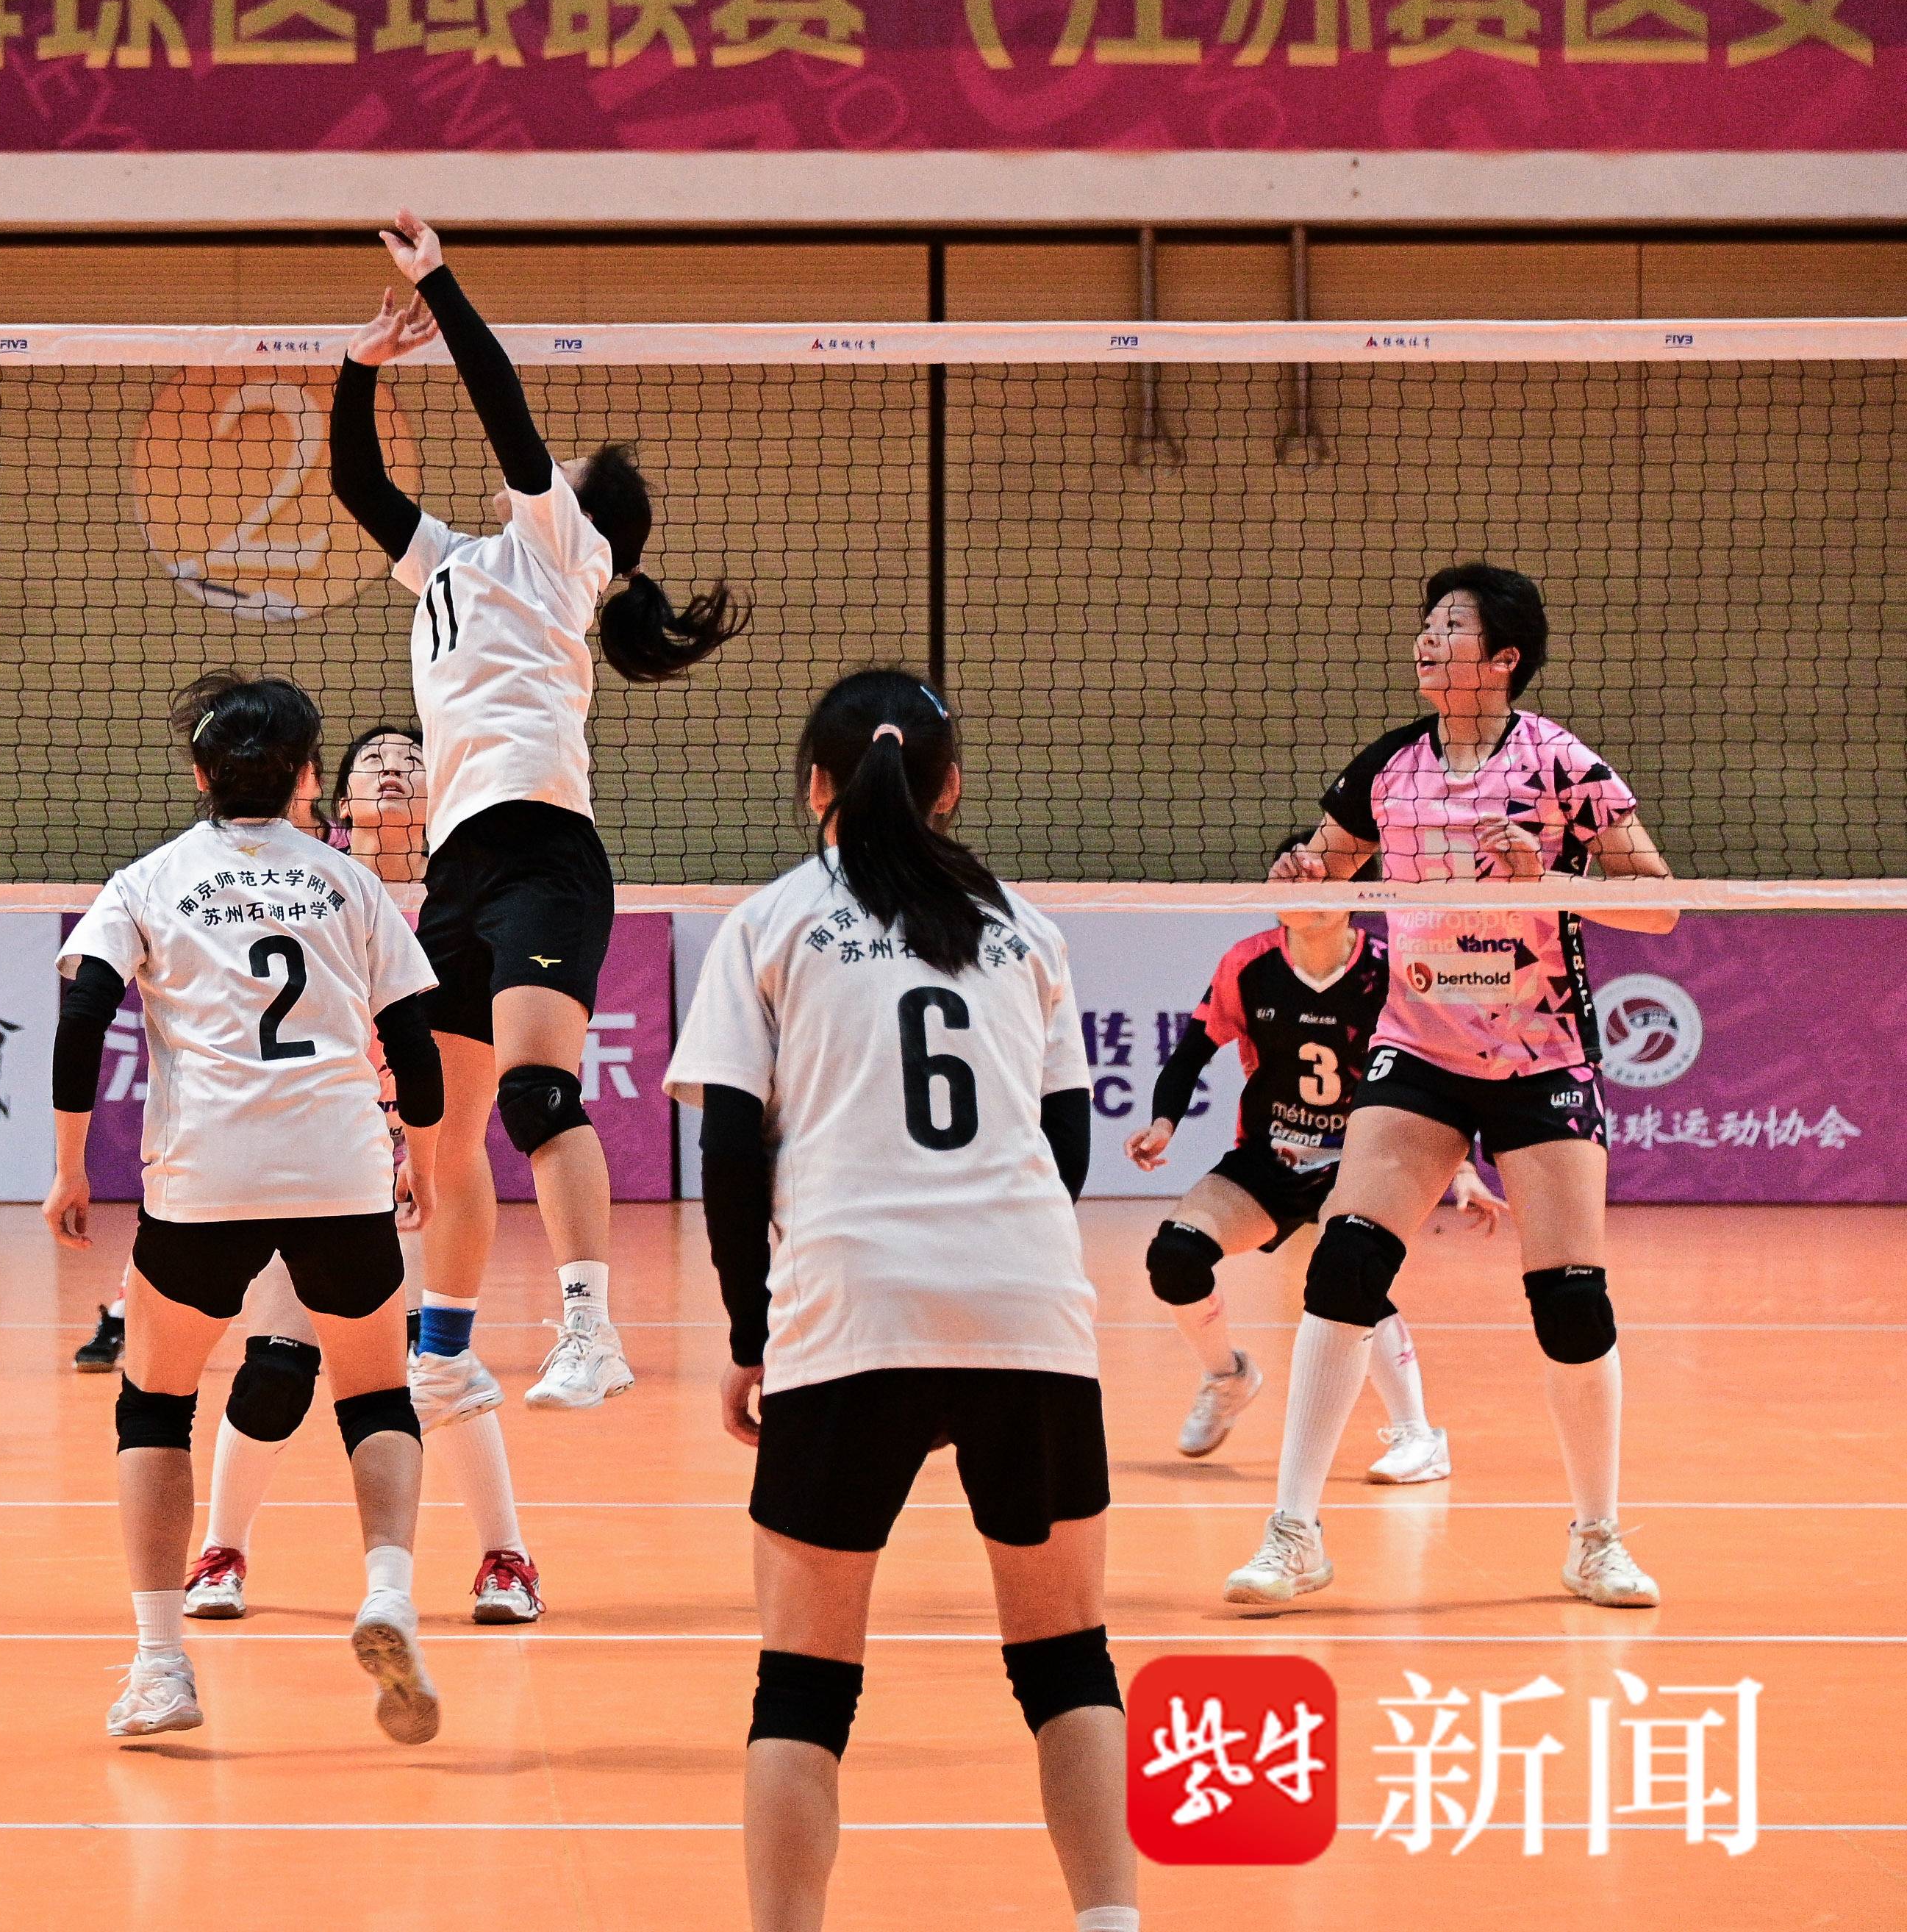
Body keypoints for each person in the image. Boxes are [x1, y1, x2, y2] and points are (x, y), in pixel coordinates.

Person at [666, 670, 1133, 1932]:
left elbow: (728, 1151)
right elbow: (1065, 1149)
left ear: (814, 785)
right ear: (951, 789)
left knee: (803, 1687)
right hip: (1029, 1309)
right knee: (1066, 1661)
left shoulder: (770, 924)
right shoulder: (1023, 929)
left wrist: (750, 1336)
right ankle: (1110, 1920)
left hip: (850, 1312)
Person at [333, 210, 748, 1417]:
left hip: (544, 853)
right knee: (441, 1136)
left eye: (561, 474)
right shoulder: (453, 564)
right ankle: (444, 1349)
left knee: (535, 1098)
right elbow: (357, 482)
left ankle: (589, 1332)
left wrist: (439, 281)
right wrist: (356, 367)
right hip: (460, 868)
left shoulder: (566, 552)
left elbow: (504, 409)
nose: (543, 469)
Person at [1226, 564, 1678, 1610]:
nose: (1427, 641)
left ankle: (1596, 1539)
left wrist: (1550, 880)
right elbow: (1322, 877)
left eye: (1450, 626)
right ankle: (1293, 1535)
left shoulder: (1562, 763)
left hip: (1540, 1056)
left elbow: (1660, 905)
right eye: (1425, 626)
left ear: (1503, 656)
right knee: (1345, 1266)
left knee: (1571, 1304)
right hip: (1418, 1052)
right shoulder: (1386, 769)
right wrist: (1299, 880)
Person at [46, 673, 451, 1742]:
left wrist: (71, 1167)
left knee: (154, 1407)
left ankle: (160, 1665)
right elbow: (413, 1042)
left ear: (199, 774)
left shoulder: (146, 882)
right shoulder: (349, 885)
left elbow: (83, 1017)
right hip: (340, 1172)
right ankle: (389, 1592)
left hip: (206, 1180)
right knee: (376, 1396)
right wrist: (421, 1163)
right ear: (309, 776)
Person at [183, 722, 543, 1627]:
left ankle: (506, 1558)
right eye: (371, 762)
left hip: (421, 1166)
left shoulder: (467, 902)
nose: (391, 770)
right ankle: (220, 1551)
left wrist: (429, 1145)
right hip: (317, 1160)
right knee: (275, 1370)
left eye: (410, 761)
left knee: (436, 1361)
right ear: (337, 798)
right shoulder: (302, 885)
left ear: (441, 794)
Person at [1128, 831, 1500, 1482]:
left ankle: (1419, 1436)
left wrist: (1462, 1166)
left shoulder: (1390, 970)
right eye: (1292, 876)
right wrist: (1164, 1123)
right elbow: (1191, 1052)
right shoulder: (1248, 964)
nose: (1304, 888)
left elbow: (1444, 1070)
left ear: (1356, 894)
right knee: (1175, 1258)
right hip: (1270, 1156)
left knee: (1348, 1269)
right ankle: (1227, 1376)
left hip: (1364, 1160)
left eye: (1322, 878)